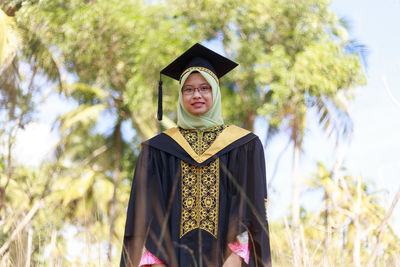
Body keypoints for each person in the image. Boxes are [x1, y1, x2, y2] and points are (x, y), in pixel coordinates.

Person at [120, 43, 271, 267]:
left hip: (228, 261)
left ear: (215, 92)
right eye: (188, 89)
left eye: (205, 88)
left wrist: (236, 257)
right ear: (180, 95)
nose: (196, 95)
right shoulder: (158, 150)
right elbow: (144, 214)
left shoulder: (243, 146)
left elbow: (250, 209)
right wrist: (156, 260)